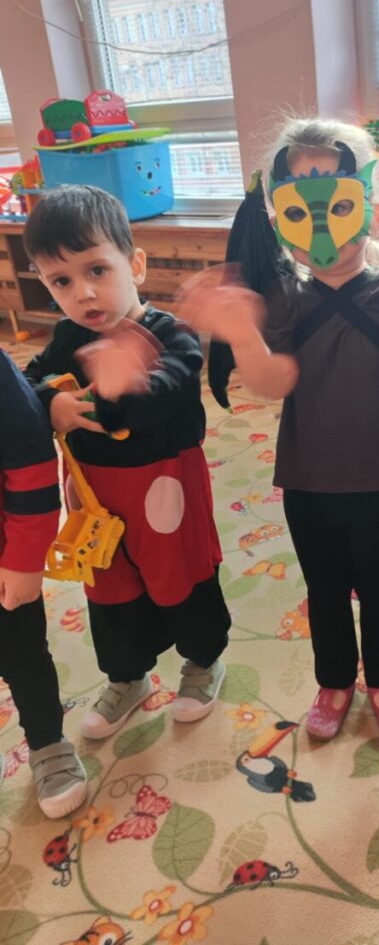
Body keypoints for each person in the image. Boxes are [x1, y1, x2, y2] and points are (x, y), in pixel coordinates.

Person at [177, 118, 379, 742]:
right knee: (324, 590)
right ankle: (334, 681)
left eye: (339, 204)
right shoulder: (283, 299)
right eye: (301, 211)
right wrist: (242, 331)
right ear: (280, 218)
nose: (322, 228)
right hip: (308, 480)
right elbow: (271, 383)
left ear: (373, 210)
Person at [23, 185, 230, 740]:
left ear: (134, 264)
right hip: (93, 493)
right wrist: (50, 402)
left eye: (97, 270)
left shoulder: (172, 334)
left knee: (180, 575)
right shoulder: (68, 335)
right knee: (108, 586)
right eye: (61, 281)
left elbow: (171, 386)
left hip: (165, 488)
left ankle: (204, 660)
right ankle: (126, 676)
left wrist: (122, 390)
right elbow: (29, 380)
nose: (84, 293)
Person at [0, 348, 88, 817]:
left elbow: (30, 459)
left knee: (22, 657)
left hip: (4, 565)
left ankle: (47, 742)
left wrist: (24, 558)